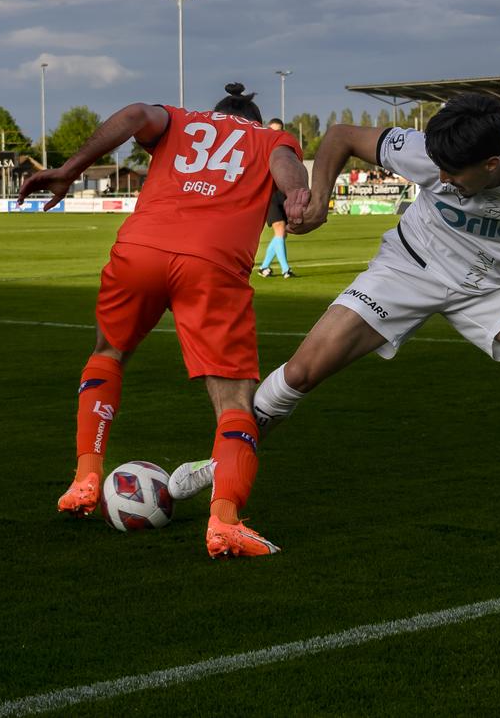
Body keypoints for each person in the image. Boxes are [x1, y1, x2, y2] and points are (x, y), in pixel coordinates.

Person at [169, 93, 500, 549]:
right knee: (303, 372)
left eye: (452, 174)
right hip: (407, 270)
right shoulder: (427, 152)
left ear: (492, 163)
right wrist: (322, 199)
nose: (438, 177)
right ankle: (222, 464)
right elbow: (341, 136)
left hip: (492, 288)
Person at [19, 83, 306, 558]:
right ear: (255, 119)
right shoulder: (269, 139)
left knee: (108, 354)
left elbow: (133, 114)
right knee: (234, 400)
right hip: (211, 265)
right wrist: (297, 195)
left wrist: (70, 169)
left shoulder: (180, 119)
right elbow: (287, 169)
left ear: (213, 114)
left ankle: (85, 478)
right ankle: (225, 521)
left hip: (140, 250)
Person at [254, 116, 295, 279]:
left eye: (279, 131)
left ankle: (264, 267)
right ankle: (286, 270)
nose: (275, 134)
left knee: (282, 233)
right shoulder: (261, 148)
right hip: (269, 193)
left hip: (281, 193)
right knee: (279, 228)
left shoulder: (286, 149)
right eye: (272, 131)